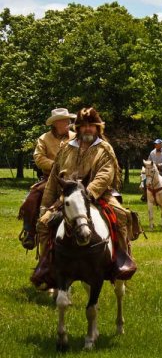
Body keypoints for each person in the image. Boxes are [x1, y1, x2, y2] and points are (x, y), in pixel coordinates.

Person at [34, 107, 136, 287]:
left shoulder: (105, 148)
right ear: (78, 128)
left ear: (98, 128)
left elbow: (105, 175)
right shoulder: (66, 148)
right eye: (84, 126)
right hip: (68, 196)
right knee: (43, 222)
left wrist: (87, 194)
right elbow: (53, 179)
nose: (88, 129)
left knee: (121, 215)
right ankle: (47, 266)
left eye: (92, 126)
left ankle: (121, 259)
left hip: (98, 195)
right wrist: (45, 205)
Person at [20, 108, 77, 249]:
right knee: (31, 199)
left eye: (68, 120)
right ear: (55, 123)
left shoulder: (76, 137)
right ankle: (30, 232)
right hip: (49, 178)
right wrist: (56, 166)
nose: (67, 122)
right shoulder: (44, 138)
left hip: (73, 178)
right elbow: (38, 158)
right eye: (64, 120)